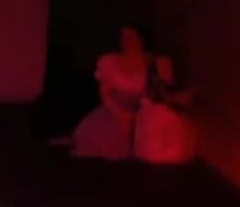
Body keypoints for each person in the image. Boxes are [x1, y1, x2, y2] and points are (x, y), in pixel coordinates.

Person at [57, 24, 192, 161]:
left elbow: (163, 91)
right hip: (116, 110)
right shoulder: (110, 61)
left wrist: (175, 98)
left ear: (141, 38)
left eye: (130, 36)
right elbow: (105, 94)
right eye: (122, 37)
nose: (125, 41)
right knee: (103, 139)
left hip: (146, 111)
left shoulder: (157, 63)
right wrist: (122, 114)